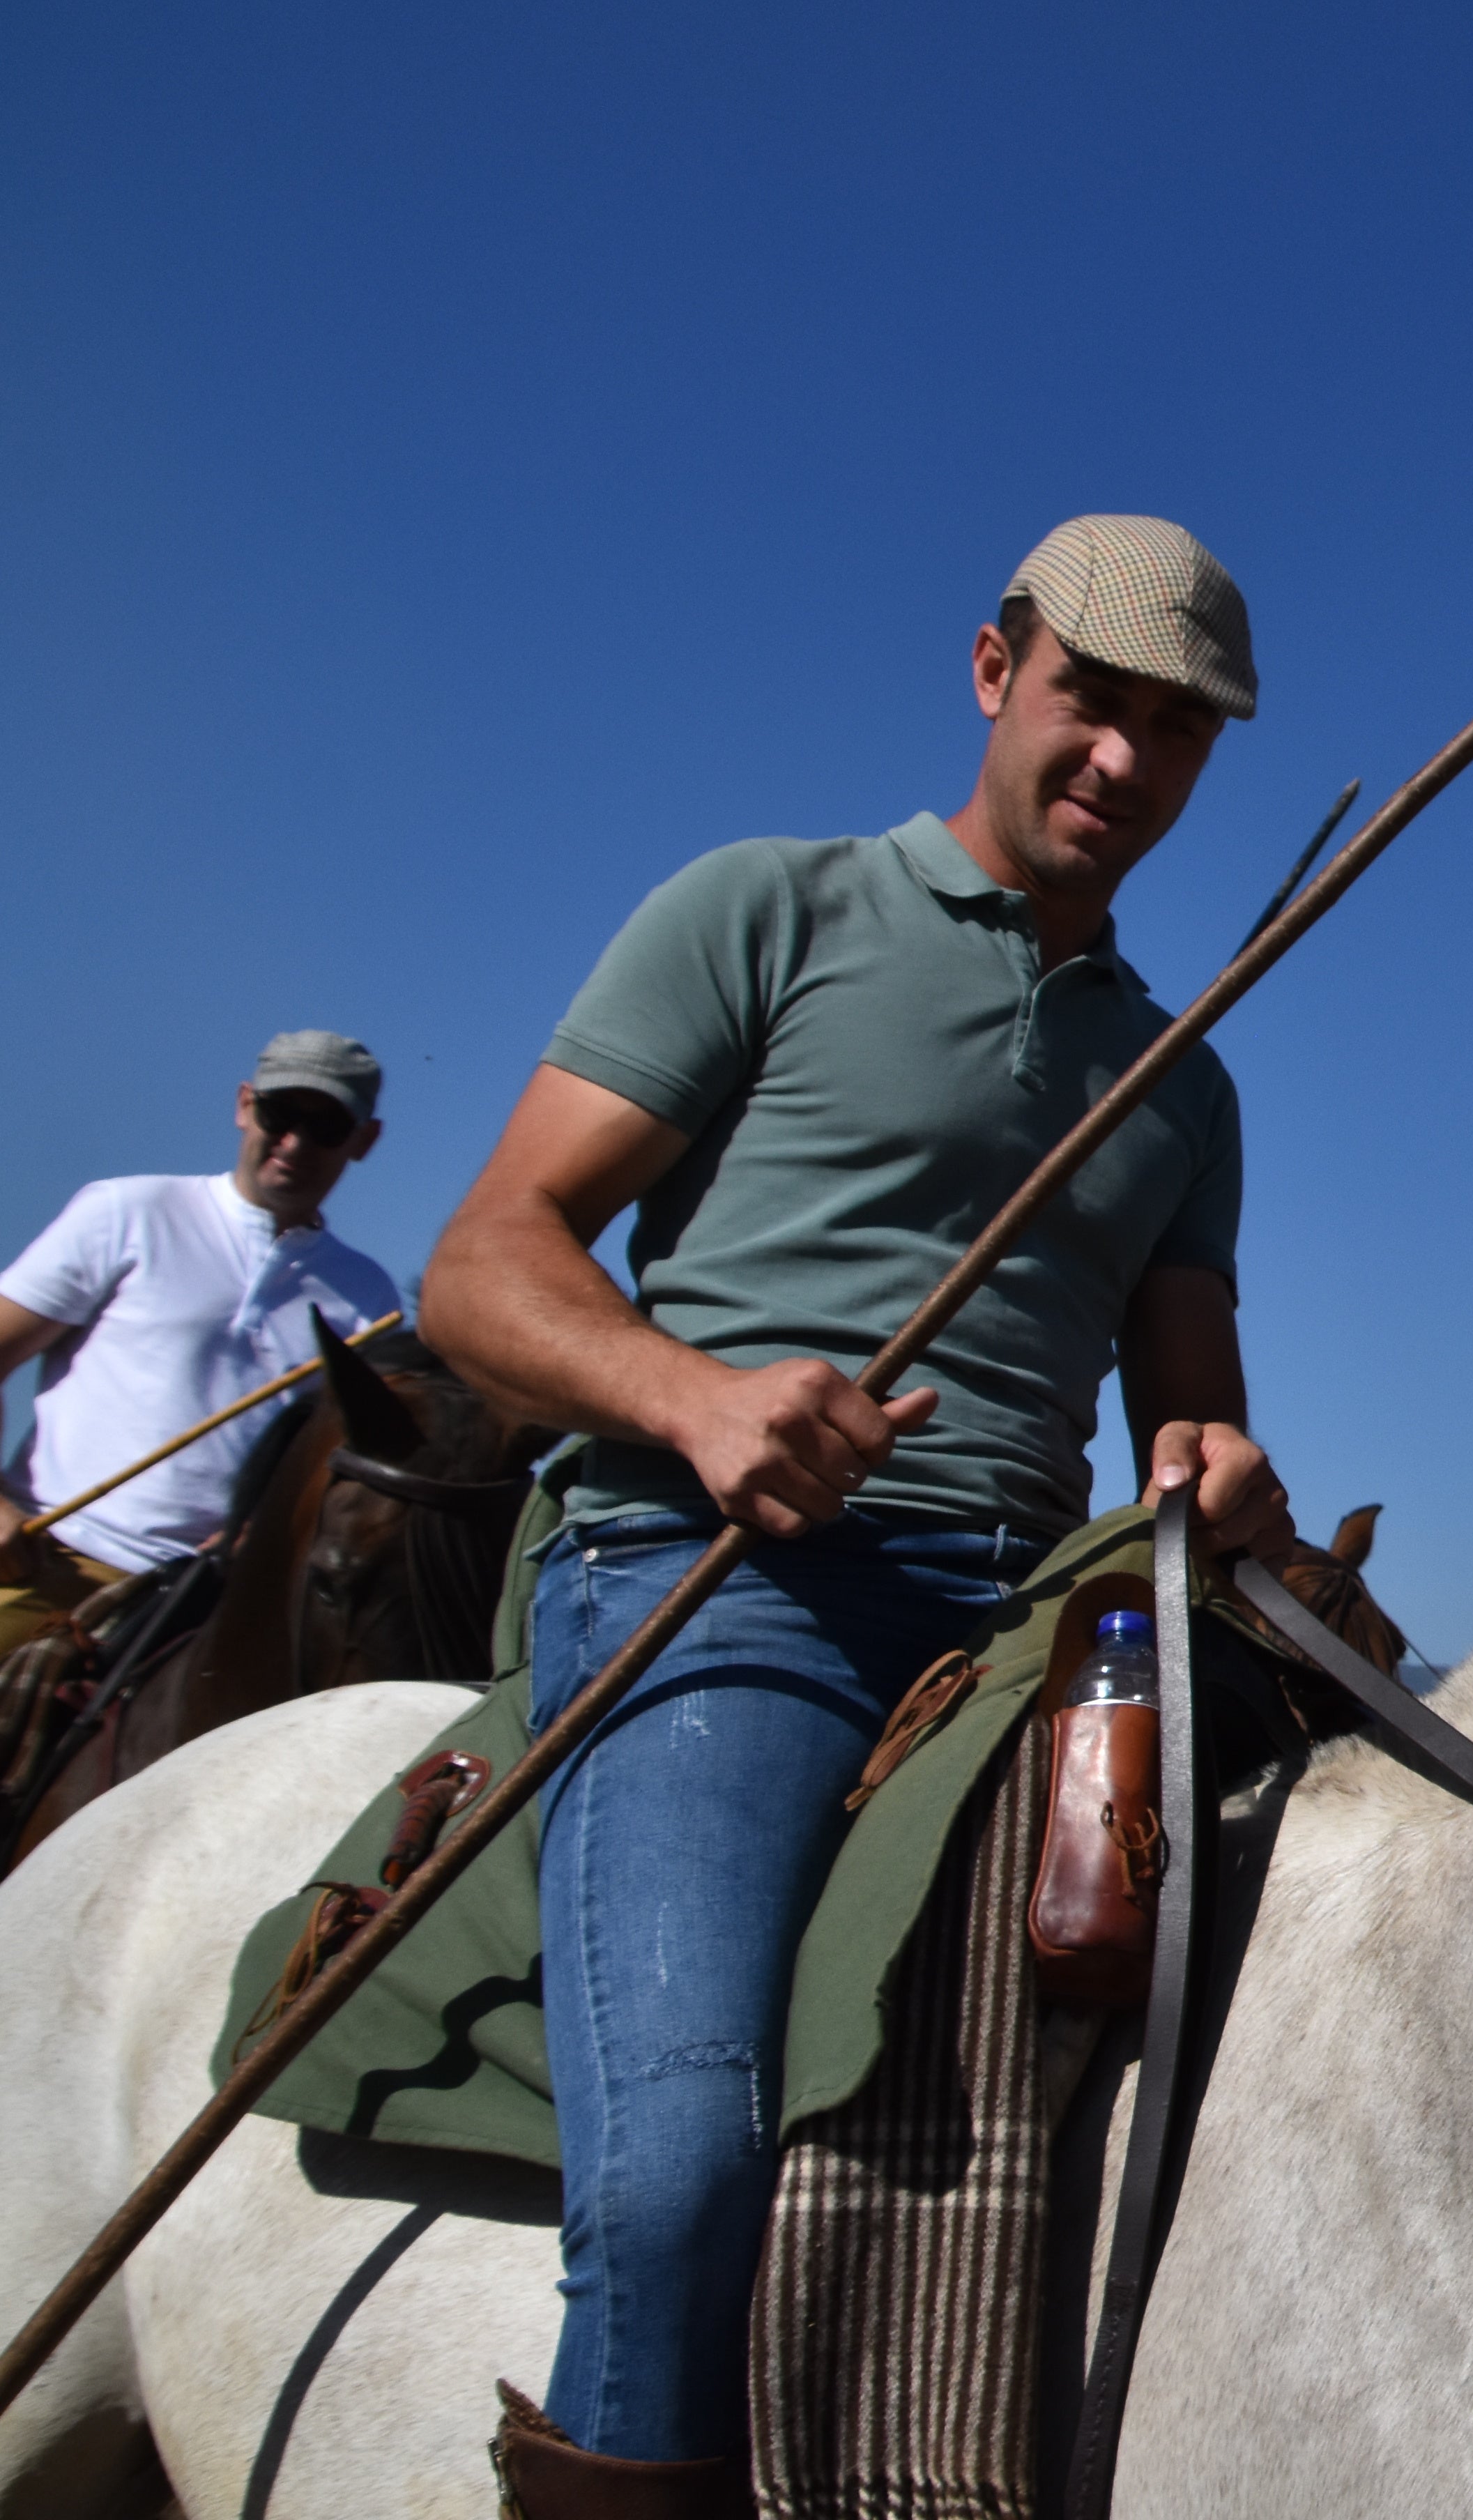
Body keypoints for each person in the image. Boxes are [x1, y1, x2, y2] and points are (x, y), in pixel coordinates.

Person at [425, 517, 1298, 2510]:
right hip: (721, 1579)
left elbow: (1197, 1429)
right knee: (686, 2162)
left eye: (1178, 736)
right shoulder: (770, 911)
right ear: (996, 670)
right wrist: (696, 1400)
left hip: (1034, 1630)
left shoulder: (1181, 1087)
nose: (1123, 765)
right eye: (1094, 703)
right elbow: (481, 1267)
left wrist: (1226, 1480)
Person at [0, 1032, 404, 1651]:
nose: (295, 1142)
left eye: (326, 1126)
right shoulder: (128, 1211)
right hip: (47, 1558)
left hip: (204, 1609)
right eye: (281, 1114)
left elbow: (339, 1468)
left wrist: (260, 1536)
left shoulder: (371, 1300)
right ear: (246, 1106)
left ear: (364, 1141)